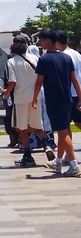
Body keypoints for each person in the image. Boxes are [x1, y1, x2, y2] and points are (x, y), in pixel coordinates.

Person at [34, 29, 81, 176]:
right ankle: (59, 162)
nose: (41, 43)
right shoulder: (66, 58)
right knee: (63, 131)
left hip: (54, 100)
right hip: (67, 99)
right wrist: (80, 97)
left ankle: (74, 165)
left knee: (63, 132)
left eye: (42, 40)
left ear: (48, 41)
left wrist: (34, 98)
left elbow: (39, 82)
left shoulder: (44, 59)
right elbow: (74, 79)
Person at [2, 36, 54, 167]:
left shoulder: (12, 61)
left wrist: (6, 92)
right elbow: (40, 78)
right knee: (38, 125)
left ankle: (27, 155)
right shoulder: (35, 59)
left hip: (20, 98)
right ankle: (46, 146)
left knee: (22, 128)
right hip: (35, 97)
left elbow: (12, 81)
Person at [55, 30, 81, 164]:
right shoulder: (76, 54)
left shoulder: (63, 56)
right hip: (78, 92)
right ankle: (67, 155)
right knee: (77, 122)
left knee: (65, 126)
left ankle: (67, 156)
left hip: (68, 93)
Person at [26, 45, 56, 150]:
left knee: (35, 116)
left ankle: (34, 141)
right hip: (45, 90)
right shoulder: (42, 60)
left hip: (34, 91)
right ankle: (49, 141)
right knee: (46, 116)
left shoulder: (28, 61)